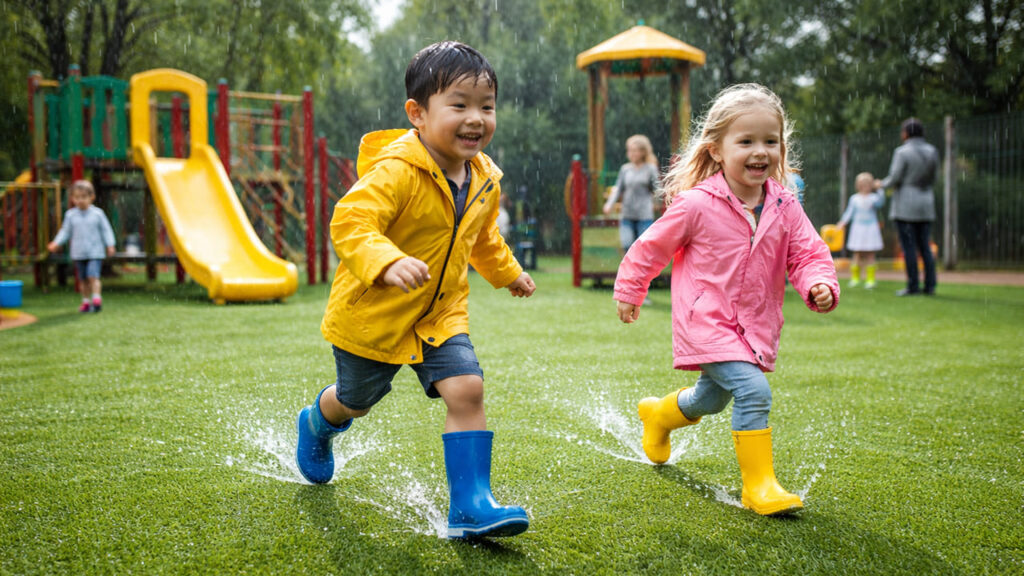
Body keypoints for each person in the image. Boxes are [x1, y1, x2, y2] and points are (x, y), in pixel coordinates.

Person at [294, 41, 536, 539]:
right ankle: (319, 422)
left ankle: (471, 506)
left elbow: (482, 239)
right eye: (460, 105)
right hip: (375, 315)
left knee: (467, 389)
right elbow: (352, 220)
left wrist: (509, 273)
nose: (476, 119)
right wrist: (385, 261)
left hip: (440, 315)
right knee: (357, 401)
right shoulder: (396, 171)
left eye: (486, 107)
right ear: (417, 114)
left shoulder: (484, 177)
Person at [613, 84, 839, 516]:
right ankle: (760, 487)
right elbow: (650, 248)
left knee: (711, 399)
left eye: (770, 142)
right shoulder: (697, 204)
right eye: (747, 141)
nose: (761, 152)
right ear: (716, 150)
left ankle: (659, 415)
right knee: (754, 391)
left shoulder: (785, 205)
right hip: (706, 320)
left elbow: (808, 252)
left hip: (753, 324)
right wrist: (629, 290)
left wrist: (817, 283)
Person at [875, 118, 940, 296]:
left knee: (909, 247)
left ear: (905, 133)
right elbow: (935, 178)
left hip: (906, 204)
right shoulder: (932, 151)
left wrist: (880, 184)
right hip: (926, 202)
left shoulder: (902, 152)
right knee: (925, 246)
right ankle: (930, 285)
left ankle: (912, 285)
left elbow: (895, 177)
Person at [46, 180, 116, 313]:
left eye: (84, 197)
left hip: (95, 252)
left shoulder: (98, 214)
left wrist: (110, 244)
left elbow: (106, 230)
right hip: (79, 252)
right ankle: (85, 302)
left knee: (93, 276)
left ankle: (96, 299)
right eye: (77, 197)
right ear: (72, 198)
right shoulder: (71, 215)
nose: (80, 200)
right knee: (82, 280)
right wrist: (56, 243)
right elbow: (65, 231)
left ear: (92, 197)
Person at [602, 134, 660, 252]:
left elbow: (658, 188)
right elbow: (618, 189)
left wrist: (657, 203)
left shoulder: (650, 169)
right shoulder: (625, 169)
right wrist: (609, 204)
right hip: (627, 214)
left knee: (643, 249)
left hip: (644, 215)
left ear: (643, 152)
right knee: (627, 245)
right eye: (629, 150)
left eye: (635, 151)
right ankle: (629, 271)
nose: (631, 153)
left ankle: (643, 271)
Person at [837, 172, 886, 288]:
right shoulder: (854, 199)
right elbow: (849, 212)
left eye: (867, 184)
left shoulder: (873, 198)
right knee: (857, 254)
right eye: (862, 184)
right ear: (858, 185)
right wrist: (843, 222)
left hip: (871, 228)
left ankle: (870, 279)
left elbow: (881, 203)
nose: (865, 187)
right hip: (858, 228)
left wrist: (880, 190)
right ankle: (855, 278)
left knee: (870, 254)